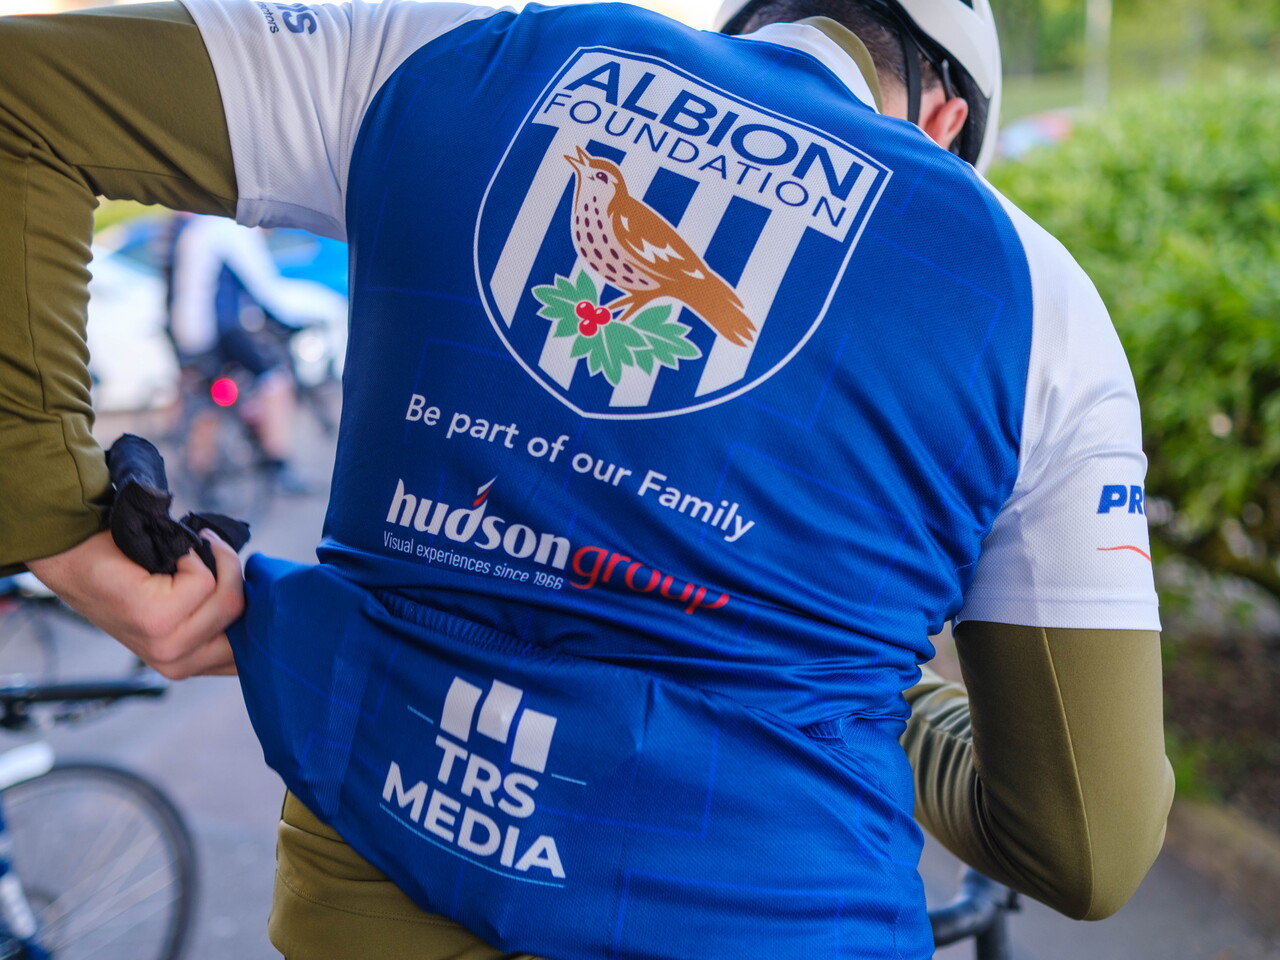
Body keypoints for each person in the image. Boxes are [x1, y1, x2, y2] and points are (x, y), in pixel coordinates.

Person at [0, 1, 1174, 958]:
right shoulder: (1037, 301)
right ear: (944, 115)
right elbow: (1086, 845)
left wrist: (61, 522)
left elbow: (24, 96)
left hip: (376, 855)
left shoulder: (448, 59)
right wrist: (882, 692)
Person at [165, 212, 312, 494]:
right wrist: (292, 323)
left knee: (210, 399)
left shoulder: (199, 227)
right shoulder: (232, 229)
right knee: (276, 380)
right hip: (219, 328)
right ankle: (280, 464)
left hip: (188, 333)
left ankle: (200, 474)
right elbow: (264, 287)